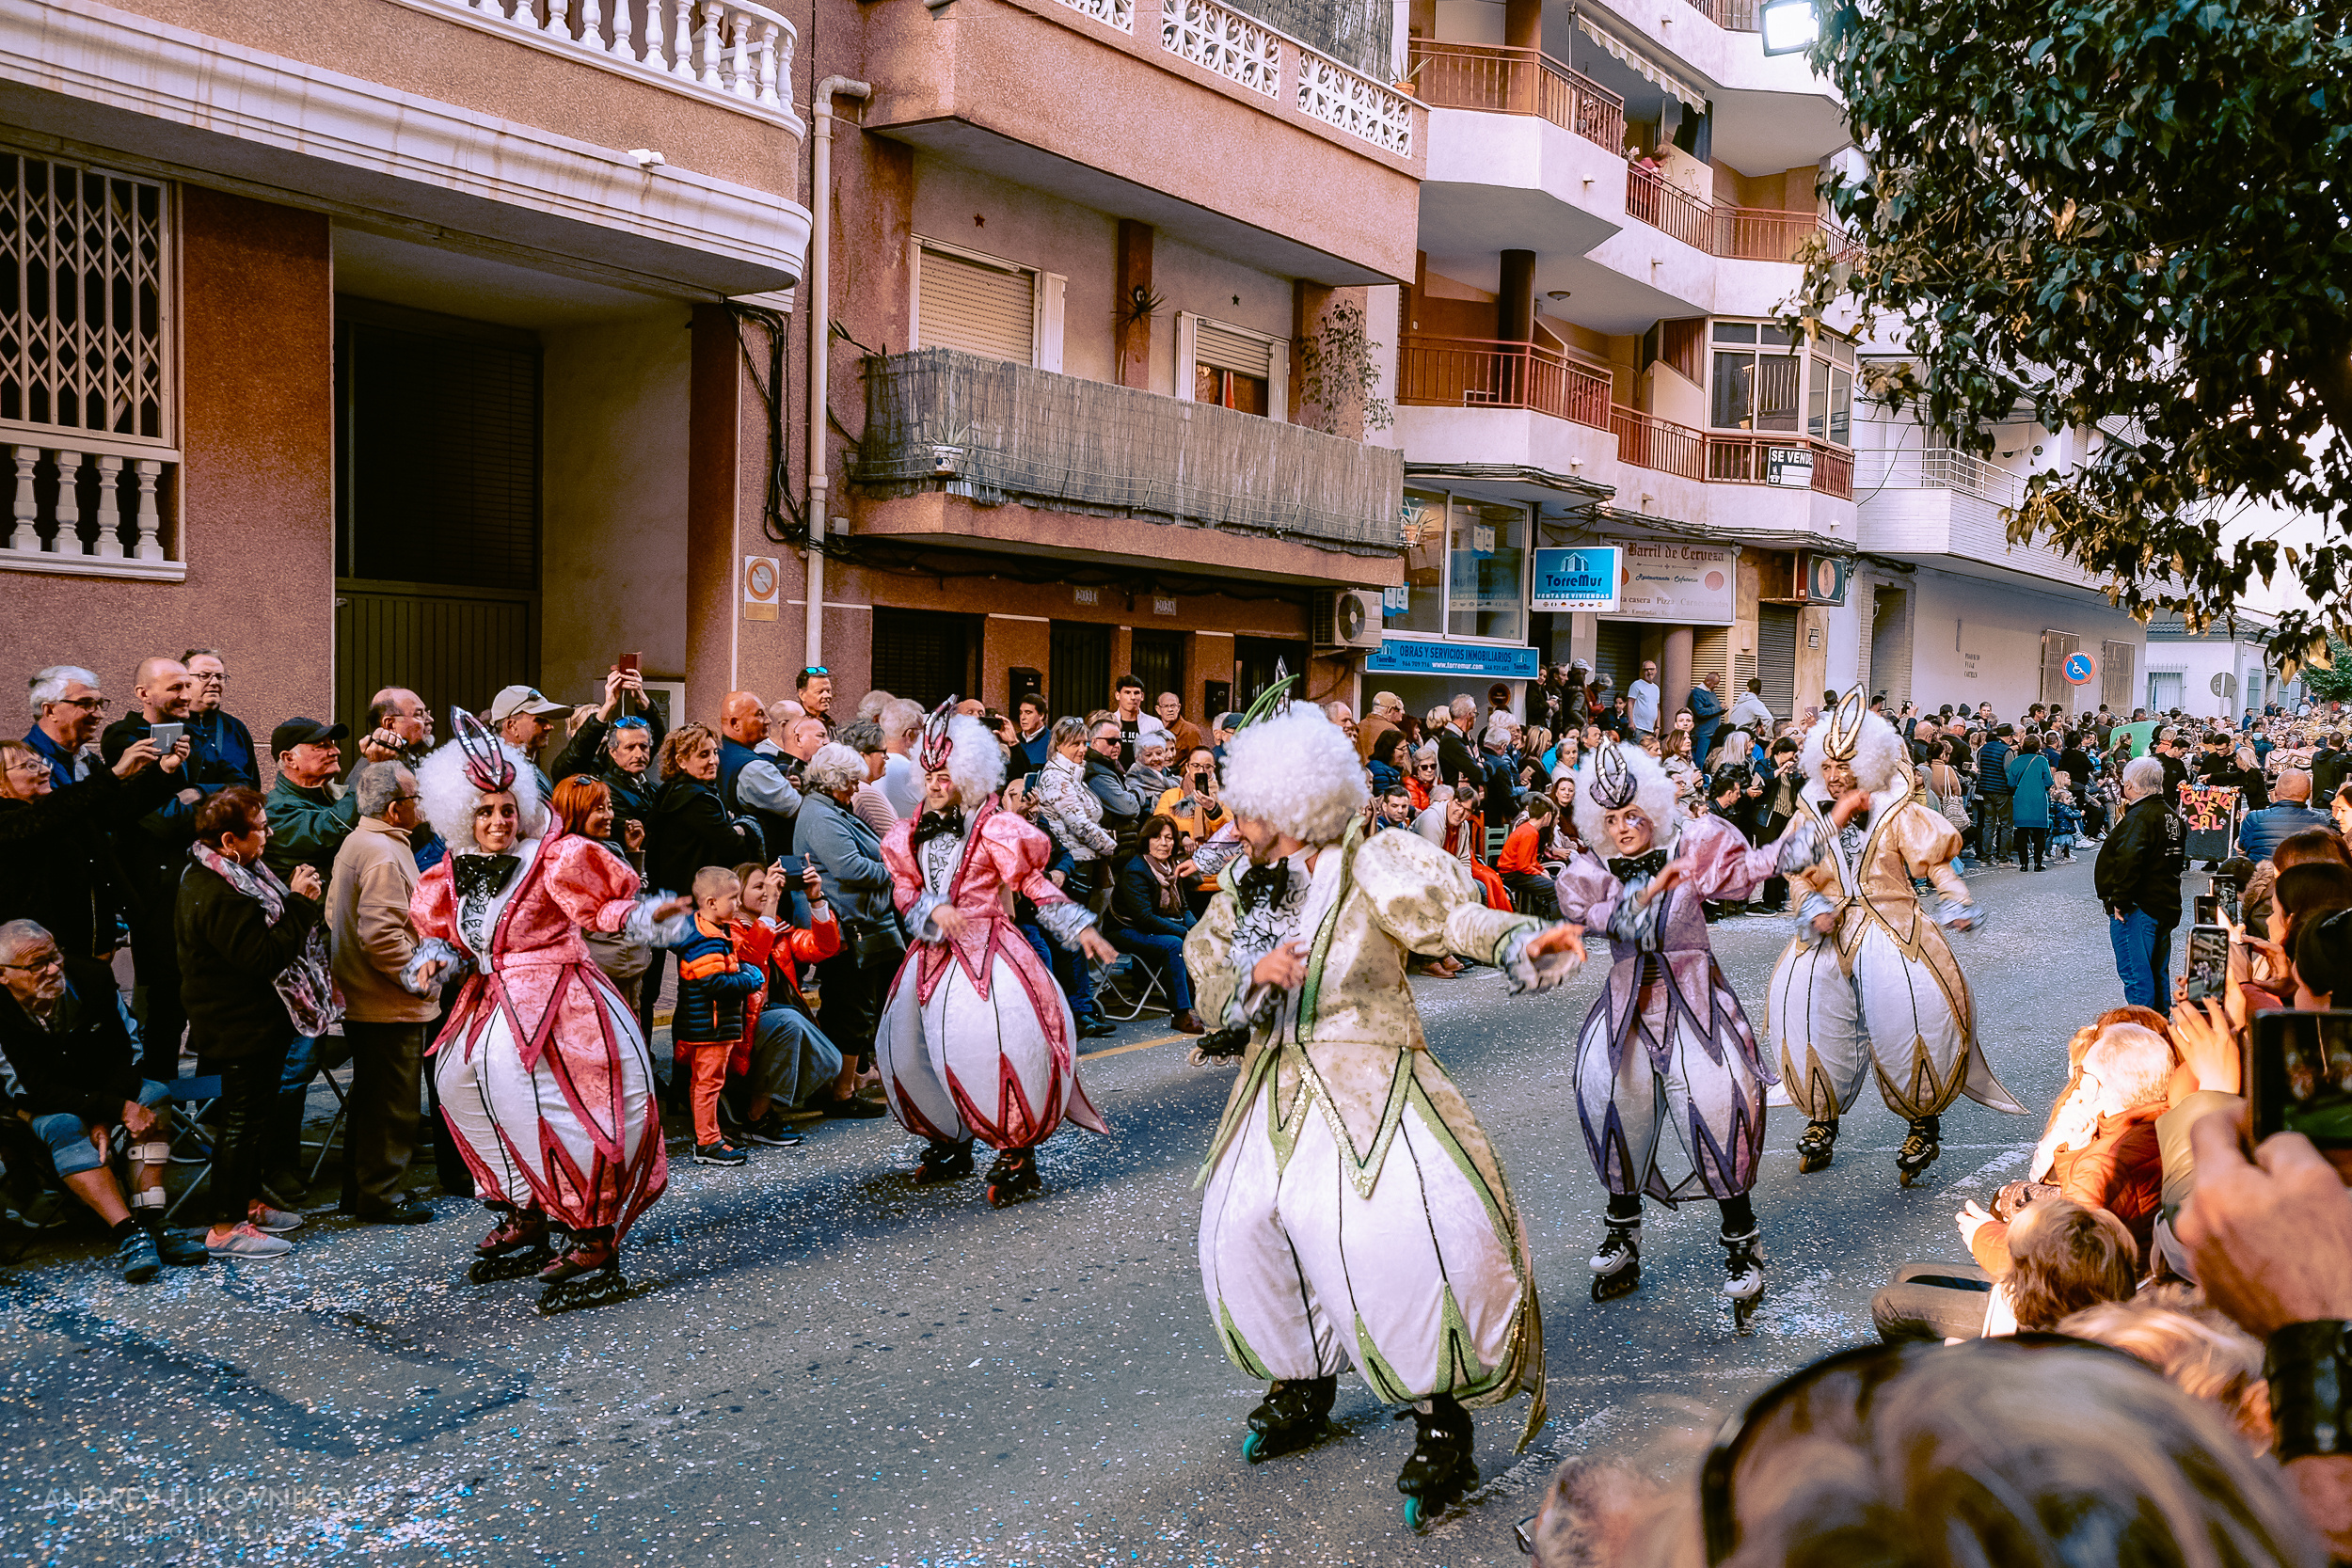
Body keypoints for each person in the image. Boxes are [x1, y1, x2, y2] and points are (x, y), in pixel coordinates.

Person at [1185, 700, 1580, 1525]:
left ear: (1290, 807)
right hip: (1274, 1085)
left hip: (1371, 1081)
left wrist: (1516, 941)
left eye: (1250, 808)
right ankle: (1302, 1381)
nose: (1237, 821)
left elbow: (1450, 917)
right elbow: (1211, 986)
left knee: (1390, 1241)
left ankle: (1442, 1423)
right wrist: (1252, 982)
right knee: (1242, 1228)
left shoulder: (1373, 865)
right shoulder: (1242, 889)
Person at [403, 713, 690, 1312]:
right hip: (488, 1001)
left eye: (507, 810)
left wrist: (646, 915)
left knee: (557, 1108)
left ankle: (592, 1231)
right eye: (484, 812)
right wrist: (433, 962)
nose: (499, 822)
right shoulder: (448, 873)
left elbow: (604, 911)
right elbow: (452, 941)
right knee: (458, 1085)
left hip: (560, 1001)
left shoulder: (553, 859)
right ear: (463, 818)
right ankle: (523, 1210)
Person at [1553, 741, 1837, 1321]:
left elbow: (1747, 869)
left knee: (1718, 1106)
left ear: (1653, 809)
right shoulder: (1590, 871)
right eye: (1609, 819)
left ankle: (1741, 1243)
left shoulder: (1693, 844)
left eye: (1632, 814)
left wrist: (1805, 840)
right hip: (1627, 1003)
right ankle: (1622, 1234)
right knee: (1613, 1103)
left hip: (1696, 1001)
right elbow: (1595, 917)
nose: (1623, 828)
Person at [1767, 691, 2022, 1185]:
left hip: (1892, 927)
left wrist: (1955, 900)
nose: (1836, 774)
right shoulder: (1811, 810)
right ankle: (1821, 1119)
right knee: (1806, 1012)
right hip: (1827, 931)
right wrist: (1811, 904)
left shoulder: (1896, 809)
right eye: (1829, 764)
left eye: (1846, 763)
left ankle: (1923, 1121)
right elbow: (1797, 871)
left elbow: (1937, 864)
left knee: (1912, 1016)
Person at [876, 707, 1117, 1199]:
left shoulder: (995, 827)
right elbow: (903, 888)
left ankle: (1015, 1150)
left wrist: (1079, 926)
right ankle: (949, 1138)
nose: (936, 784)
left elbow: (1028, 882)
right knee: (912, 1048)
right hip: (929, 955)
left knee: (994, 1045)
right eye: (930, 775)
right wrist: (930, 909)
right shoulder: (907, 833)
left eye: (946, 776)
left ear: (967, 775)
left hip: (990, 951)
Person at [176, 785, 333, 1259]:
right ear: (229, 840)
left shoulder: (238, 874)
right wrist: (302, 904)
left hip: (257, 1021)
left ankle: (248, 1203)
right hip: (236, 1024)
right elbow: (261, 956)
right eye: (260, 829)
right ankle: (225, 1226)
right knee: (241, 1124)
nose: (270, 834)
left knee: (256, 1119)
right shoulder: (215, 889)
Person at [0, 919, 206, 1281]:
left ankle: (153, 1217)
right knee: (64, 1125)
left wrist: (106, 1115)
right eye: (37, 965)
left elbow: (131, 1051)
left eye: (55, 956)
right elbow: (32, 1089)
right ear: (3, 975)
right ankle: (128, 1233)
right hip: (33, 1097)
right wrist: (113, 1108)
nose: (52, 969)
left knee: (155, 1095)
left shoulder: (90, 976)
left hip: (100, 1083)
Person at [324, 762, 437, 1225]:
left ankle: (362, 1190)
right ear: (395, 809)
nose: (421, 806)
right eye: (415, 798)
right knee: (393, 1106)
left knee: (371, 1102)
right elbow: (384, 937)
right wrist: (419, 978)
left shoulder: (359, 841)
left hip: (366, 998)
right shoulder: (385, 853)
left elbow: (335, 913)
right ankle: (381, 1194)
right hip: (388, 1004)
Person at [0, 728, 181, 966]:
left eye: (41, 763)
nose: (45, 770)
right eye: (29, 766)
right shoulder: (11, 821)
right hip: (37, 959)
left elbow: (117, 808)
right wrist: (114, 774)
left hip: (92, 949)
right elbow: (43, 817)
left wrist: (162, 771)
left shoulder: (61, 810)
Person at [794, 741, 903, 1078]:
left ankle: (846, 1083)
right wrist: (895, 872)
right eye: (851, 782)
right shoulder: (821, 814)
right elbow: (851, 868)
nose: (856, 789)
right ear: (833, 780)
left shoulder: (829, 809)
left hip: (853, 922)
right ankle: (842, 1090)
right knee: (849, 1008)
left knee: (854, 1005)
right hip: (845, 926)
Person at [664, 866, 768, 1167]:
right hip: (711, 1027)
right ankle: (707, 1143)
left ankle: (710, 1134)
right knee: (708, 1084)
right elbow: (717, 984)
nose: (737, 903)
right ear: (711, 903)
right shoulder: (708, 941)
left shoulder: (701, 930)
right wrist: (752, 977)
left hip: (704, 1024)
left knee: (704, 1083)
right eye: (733, 898)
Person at [2099, 754, 2189, 1009]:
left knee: (2137, 977)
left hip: (2139, 906)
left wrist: (2120, 900)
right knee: (2156, 972)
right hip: (2164, 901)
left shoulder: (2140, 817)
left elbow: (2129, 859)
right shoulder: (2170, 815)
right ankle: (2159, 1026)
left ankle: (2144, 1031)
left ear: (2130, 786)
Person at [1110, 813, 1203, 1033]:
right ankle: (1181, 1014)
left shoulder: (1172, 866)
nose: (1164, 843)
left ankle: (1204, 1000)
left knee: (1203, 936)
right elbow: (1144, 919)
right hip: (1125, 930)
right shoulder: (1137, 869)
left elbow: (1184, 909)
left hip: (1156, 924)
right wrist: (1184, 932)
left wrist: (1198, 929)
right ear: (1146, 840)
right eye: (1157, 837)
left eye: (1169, 838)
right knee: (1174, 943)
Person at [261, 718, 358, 884]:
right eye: (321, 746)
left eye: (332, 744)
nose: (335, 751)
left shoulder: (329, 796)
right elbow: (333, 830)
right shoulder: (275, 810)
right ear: (289, 759)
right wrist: (375, 767)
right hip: (315, 908)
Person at [717, 689, 802, 859]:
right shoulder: (754, 768)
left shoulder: (719, 753)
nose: (768, 721)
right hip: (762, 865)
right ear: (735, 723)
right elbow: (800, 809)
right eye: (759, 715)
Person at [178, 649, 260, 788]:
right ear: (183, 680)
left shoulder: (236, 728)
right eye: (205, 676)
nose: (215, 682)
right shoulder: (165, 724)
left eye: (220, 676)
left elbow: (252, 786)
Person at [23, 664, 105, 789]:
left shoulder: (90, 761)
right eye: (85, 704)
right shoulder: (24, 765)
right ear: (50, 711)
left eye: (99, 704)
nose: (99, 714)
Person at [486, 685, 568, 800]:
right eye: (539, 720)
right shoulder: (503, 775)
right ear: (512, 726)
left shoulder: (523, 768)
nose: (549, 727)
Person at [2241, 768, 2332, 862]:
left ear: (2276, 791)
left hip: (2264, 874)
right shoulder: (2321, 821)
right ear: (2309, 794)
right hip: (2304, 874)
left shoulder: (2254, 818)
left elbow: (2242, 847)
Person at [1495, 796, 1564, 918]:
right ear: (1547, 815)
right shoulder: (1530, 832)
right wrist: (1541, 874)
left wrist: (1542, 870)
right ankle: (1557, 928)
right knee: (1555, 889)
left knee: (1559, 882)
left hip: (1519, 872)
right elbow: (1523, 865)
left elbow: (1531, 861)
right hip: (1513, 874)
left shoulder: (1529, 829)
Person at [2006, 730, 2056, 870]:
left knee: (2021, 832)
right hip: (2039, 798)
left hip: (2021, 798)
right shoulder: (2041, 760)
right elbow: (2049, 781)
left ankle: (2023, 864)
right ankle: (2038, 863)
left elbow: (2011, 782)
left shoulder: (2016, 761)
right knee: (2040, 833)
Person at [1010, 692, 1053, 774]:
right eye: (1021, 712)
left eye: (1028, 713)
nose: (1022, 717)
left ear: (1041, 716)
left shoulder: (1053, 741)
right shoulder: (1014, 740)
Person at [794, 666, 834, 733]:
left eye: (828, 691)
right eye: (820, 692)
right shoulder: (794, 726)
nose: (827, 696)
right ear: (802, 695)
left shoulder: (830, 725)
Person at [1627, 659, 1661, 739]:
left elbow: (1657, 708)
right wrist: (1631, 722)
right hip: (1638, 727)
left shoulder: (1656, 688)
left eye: (1652, 669)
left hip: (1651, 729)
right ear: (1643, 671)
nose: (1649, 672)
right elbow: (1630, 703)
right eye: (1646, 669)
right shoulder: (1636, 685)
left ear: (1656, 671)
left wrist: (1658, 727)